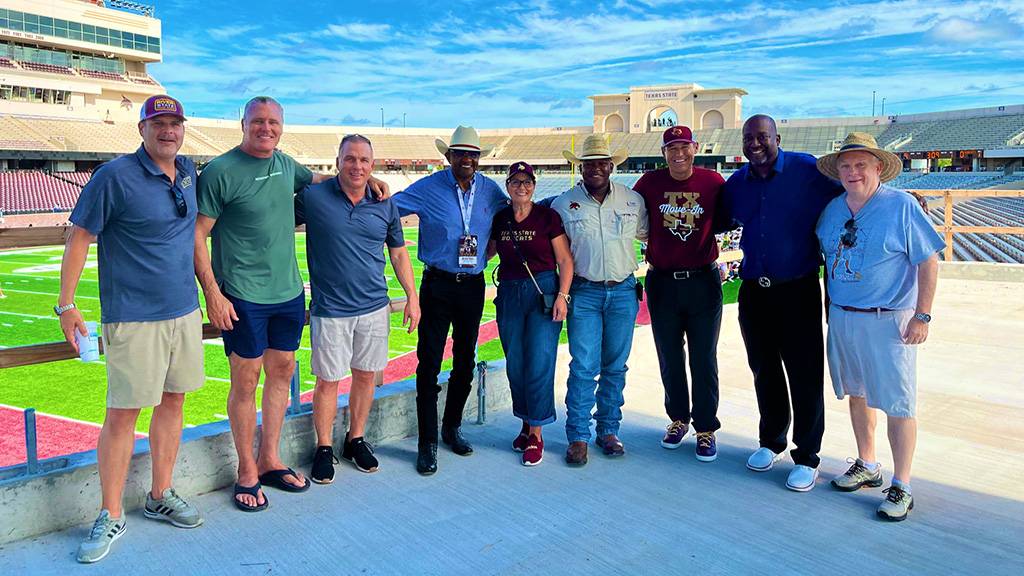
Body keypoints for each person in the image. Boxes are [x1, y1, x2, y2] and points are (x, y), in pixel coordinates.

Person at [194, 97, 387, 510]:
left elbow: (319, 179)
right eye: (258, 121)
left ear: (281, 127)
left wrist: (365, 180)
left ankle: (270, 458)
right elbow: (198, 235)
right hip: (243, 294)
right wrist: (212, 291)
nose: (266, 128)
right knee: (245, 382)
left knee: (281, 374)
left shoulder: (285, 164)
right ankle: (247, 471)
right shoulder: (219, 171)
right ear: (243, 123)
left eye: (273, 122)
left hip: (287, 293)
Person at [58, 95, 203, 563]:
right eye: (158, 123)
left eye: (175, 123)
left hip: (183, 310)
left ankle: (160, 492)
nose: (168, 131)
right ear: (142, 128)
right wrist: (66, 305)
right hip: (133, 315)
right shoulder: (113, 176)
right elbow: (79, 236)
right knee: (123, 412)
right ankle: (111, 511)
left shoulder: (188, 172)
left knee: (174, 401)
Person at [815, 133, 943, 521]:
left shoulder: (901, 206)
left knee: (898, 403)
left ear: (877, 168)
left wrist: (922, 315)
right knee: (856, 394)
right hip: (843, 316)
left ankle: (902, 483)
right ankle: (868, 464)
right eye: (846, 166)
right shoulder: (832, 210)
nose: (853, 172)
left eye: (860, 165)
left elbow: (929, 261)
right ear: (838, 172)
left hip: (889, 319)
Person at [723, 114, 844, 492]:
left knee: (804, 374)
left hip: (797, 288)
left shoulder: (807, 170)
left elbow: (855, 190)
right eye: (748, 138)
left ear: (778, 137)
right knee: (765, 369)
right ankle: (771, 440)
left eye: (762, 137)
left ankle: (807, 455)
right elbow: (713, 218)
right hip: (754, 293)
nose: (755, 144)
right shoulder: (737, 183)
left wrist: (902, 196)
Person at [296, 134, 420, 483]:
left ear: (373, 164)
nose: (357, 166)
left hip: (373, 305)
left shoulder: (384, 203)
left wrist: (412, 295)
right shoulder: (314, 197)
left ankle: (355, 438)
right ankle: (323, 446)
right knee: (328, 379)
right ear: (338, 162)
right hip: (331, 308)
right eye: (350, 159)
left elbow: (397, 252)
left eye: (364, 160)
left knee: (366, 374)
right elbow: (275, 204)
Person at [393, 125, 508, 475]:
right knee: (428, 364)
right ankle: (426, 442)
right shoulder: (428, 188)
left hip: (471, 285)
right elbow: (388, 209)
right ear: (449, 157)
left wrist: (486, 255)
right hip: (437, 284)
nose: (467, 160)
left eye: (473, 154)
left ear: (479, 158)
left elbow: (507, 222)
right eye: (460, 154)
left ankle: (451, 427)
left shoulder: (490, 191)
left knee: (465, 361)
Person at [550, 134, 649, 466]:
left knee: (615, 367)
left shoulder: (633, 200)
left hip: (623, 289)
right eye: (588, 163)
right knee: (583, 367)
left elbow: (651, 235)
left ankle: (608, 430)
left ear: (611, 165)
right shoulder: (563, 204)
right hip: (585, 292)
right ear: (581, 167)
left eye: (601, 162)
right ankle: (578, 436)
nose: (595, 168)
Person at [633, 126, 726, 461]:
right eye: (672, 148)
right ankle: (677, 419)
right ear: (664, 153)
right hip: (663, 281)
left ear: (695, 148)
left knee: (703, 356)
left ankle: (705, 427)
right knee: (669, 356)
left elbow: (731, 217)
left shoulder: (713, 182)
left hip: (703, 279)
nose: (679, 154)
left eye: (684, 147)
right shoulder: (648, 184)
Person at [486, 162, 573, 466]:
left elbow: (564, 259)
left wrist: (562, 296)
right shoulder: (501, 218)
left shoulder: (548, 217)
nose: (521, 187)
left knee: (539, 360)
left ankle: (536, 432)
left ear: (534, 186)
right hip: (509, 292)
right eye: (515, 182)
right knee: (516, 363)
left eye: (527, 182)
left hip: (542, 292)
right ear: (508, 186)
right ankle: (526, 422)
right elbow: (488, 252)